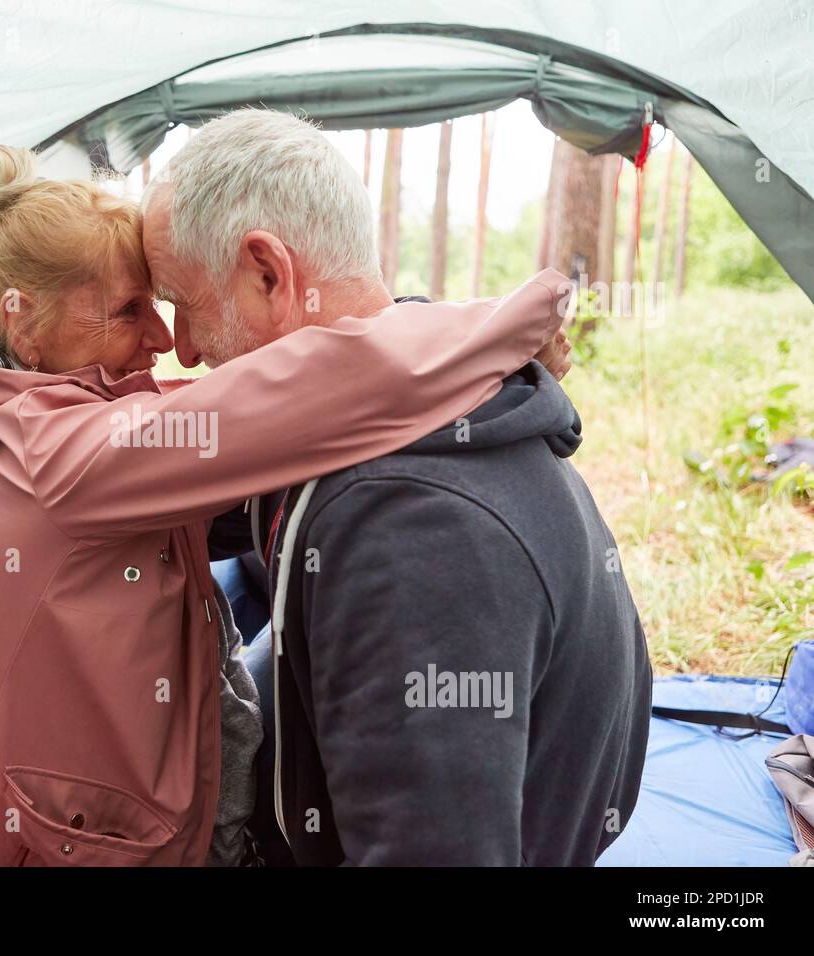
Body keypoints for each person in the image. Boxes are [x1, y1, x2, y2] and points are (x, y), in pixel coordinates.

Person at [0, 137, 570, 866]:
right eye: (130, 308)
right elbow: (308, 390)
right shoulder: (62, 458)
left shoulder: (28, 421)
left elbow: (239, 406)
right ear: (23, 322)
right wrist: (511, 325)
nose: (166, 340)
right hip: (1, 833)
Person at [134, 108, 650, 866]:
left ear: (269, 274)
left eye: (184, 302)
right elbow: (189, 505)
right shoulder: (360, 401)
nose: (180, 345)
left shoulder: (409, 535)